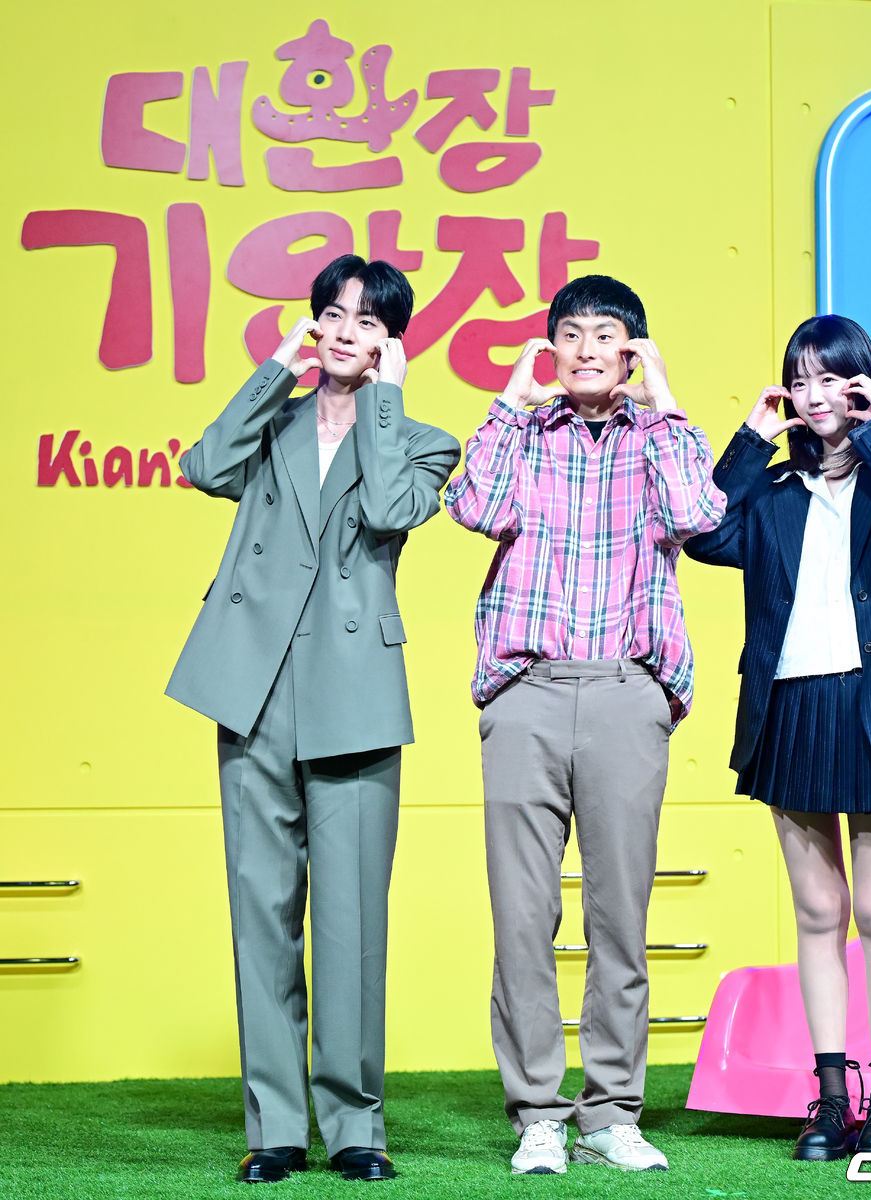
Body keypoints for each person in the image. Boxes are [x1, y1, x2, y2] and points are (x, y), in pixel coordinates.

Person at [166, 255, 460, 1183]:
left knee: (350, 923)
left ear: (391, 343)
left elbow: (389, 508)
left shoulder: (423, 440)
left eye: (368, 321)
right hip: (251, 686)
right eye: (332, 314)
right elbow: (204, 466)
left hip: (353, 695)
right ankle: (276, 1127)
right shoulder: (274, 421)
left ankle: (355, 1125)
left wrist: (384, 403)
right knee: (260, 914)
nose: (344, 331)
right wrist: (273, 372)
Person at [445, 275, 726, 1174]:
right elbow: (475, 509)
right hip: (526, 689)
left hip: (625, 689)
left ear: (632, 351)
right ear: (552, 348)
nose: (587, 349)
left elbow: (696, 516)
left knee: (620, 917)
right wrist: (508, 401)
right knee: (522, 917)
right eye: (571, 334)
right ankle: (539, 1114)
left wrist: (665, 396)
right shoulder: (523, 433)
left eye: (607, 335)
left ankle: (609, 1114)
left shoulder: (663, 437)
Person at [684, 315, 871, 1161]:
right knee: (818, 912)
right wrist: (749, 441)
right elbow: (702, 532)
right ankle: (831, 1099)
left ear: (860, 384)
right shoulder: (772, 491)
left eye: (830, 378)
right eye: (799, 380)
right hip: (794, 707)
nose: (813, 395)